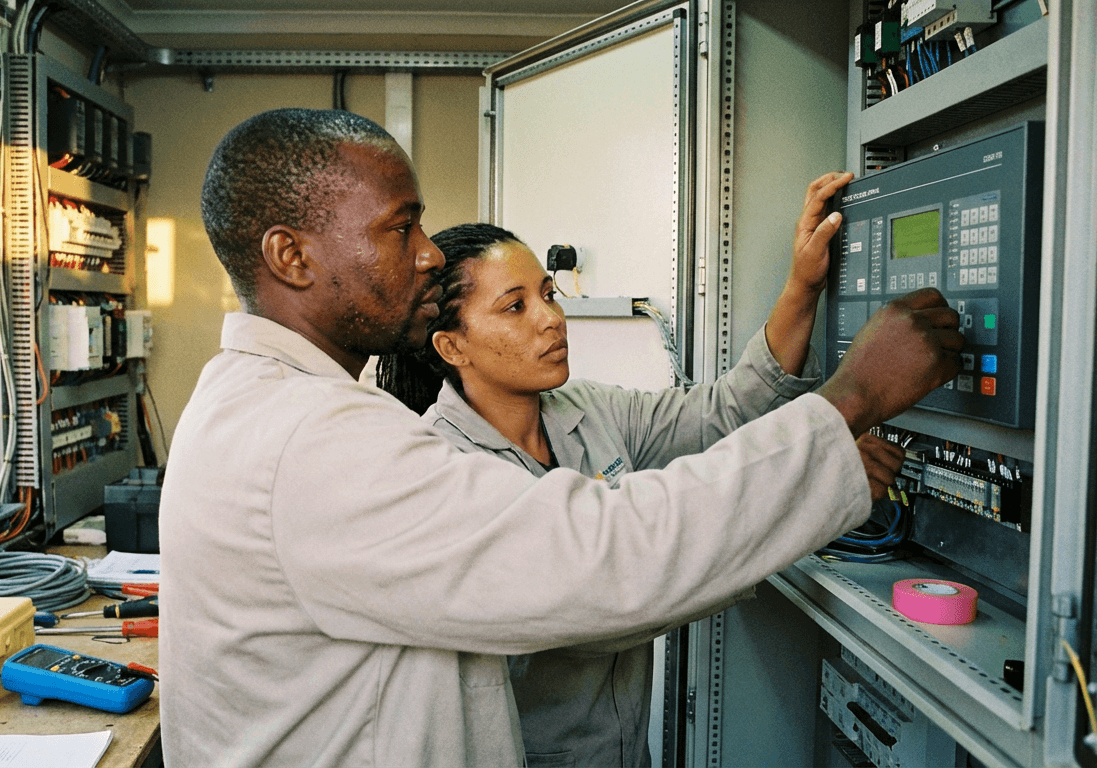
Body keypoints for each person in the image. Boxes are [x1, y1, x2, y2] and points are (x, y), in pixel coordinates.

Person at [159, 107, 963, 767]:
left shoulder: (256, 402)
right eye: (401, 230)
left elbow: (719, 416)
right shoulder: (317, 438)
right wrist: (851, 398)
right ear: (290, 256)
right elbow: (604, 556)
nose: (428, 253)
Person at [375, 216, 904, 768]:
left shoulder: (587, 410)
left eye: (548, 294)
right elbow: (599, 606)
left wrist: (803, 286)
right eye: (516, 307)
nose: (552, 319)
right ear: (453, 346)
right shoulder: (445, 467)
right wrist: (817, 471)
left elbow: (726, 410)